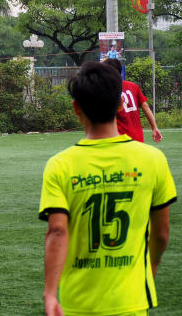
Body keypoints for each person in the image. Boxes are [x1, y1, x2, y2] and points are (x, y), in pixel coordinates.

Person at [40, 62, 176, 316]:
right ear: (121, 104)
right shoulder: (153, 160)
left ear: (76, 108)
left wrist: (49, 293)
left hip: (77, 302)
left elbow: (57, 231)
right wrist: (150, 267)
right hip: (131, 300)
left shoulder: (59, 165)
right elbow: (161, 234)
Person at [103, 57, 162, 144]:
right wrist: (154, 127)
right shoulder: (133, 86)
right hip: (138, 138)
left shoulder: (107, 91)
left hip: (120, 139)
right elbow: (145, 107)